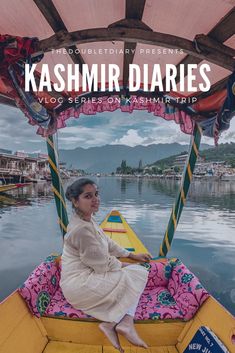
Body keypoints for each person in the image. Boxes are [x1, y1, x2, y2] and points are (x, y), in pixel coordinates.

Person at [60, 178, 152, 352]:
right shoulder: (81, 229)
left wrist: (131, 255)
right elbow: (102, 265)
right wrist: (125, 265)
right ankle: (125, 323)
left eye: (96, 194)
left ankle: (111, 324)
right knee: (139, 273)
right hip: (79, 285)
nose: (95, 199)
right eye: (88, 196)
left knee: (135, 272)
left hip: (87, 275)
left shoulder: (89, 220)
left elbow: (107, 242)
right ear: (75, 201)